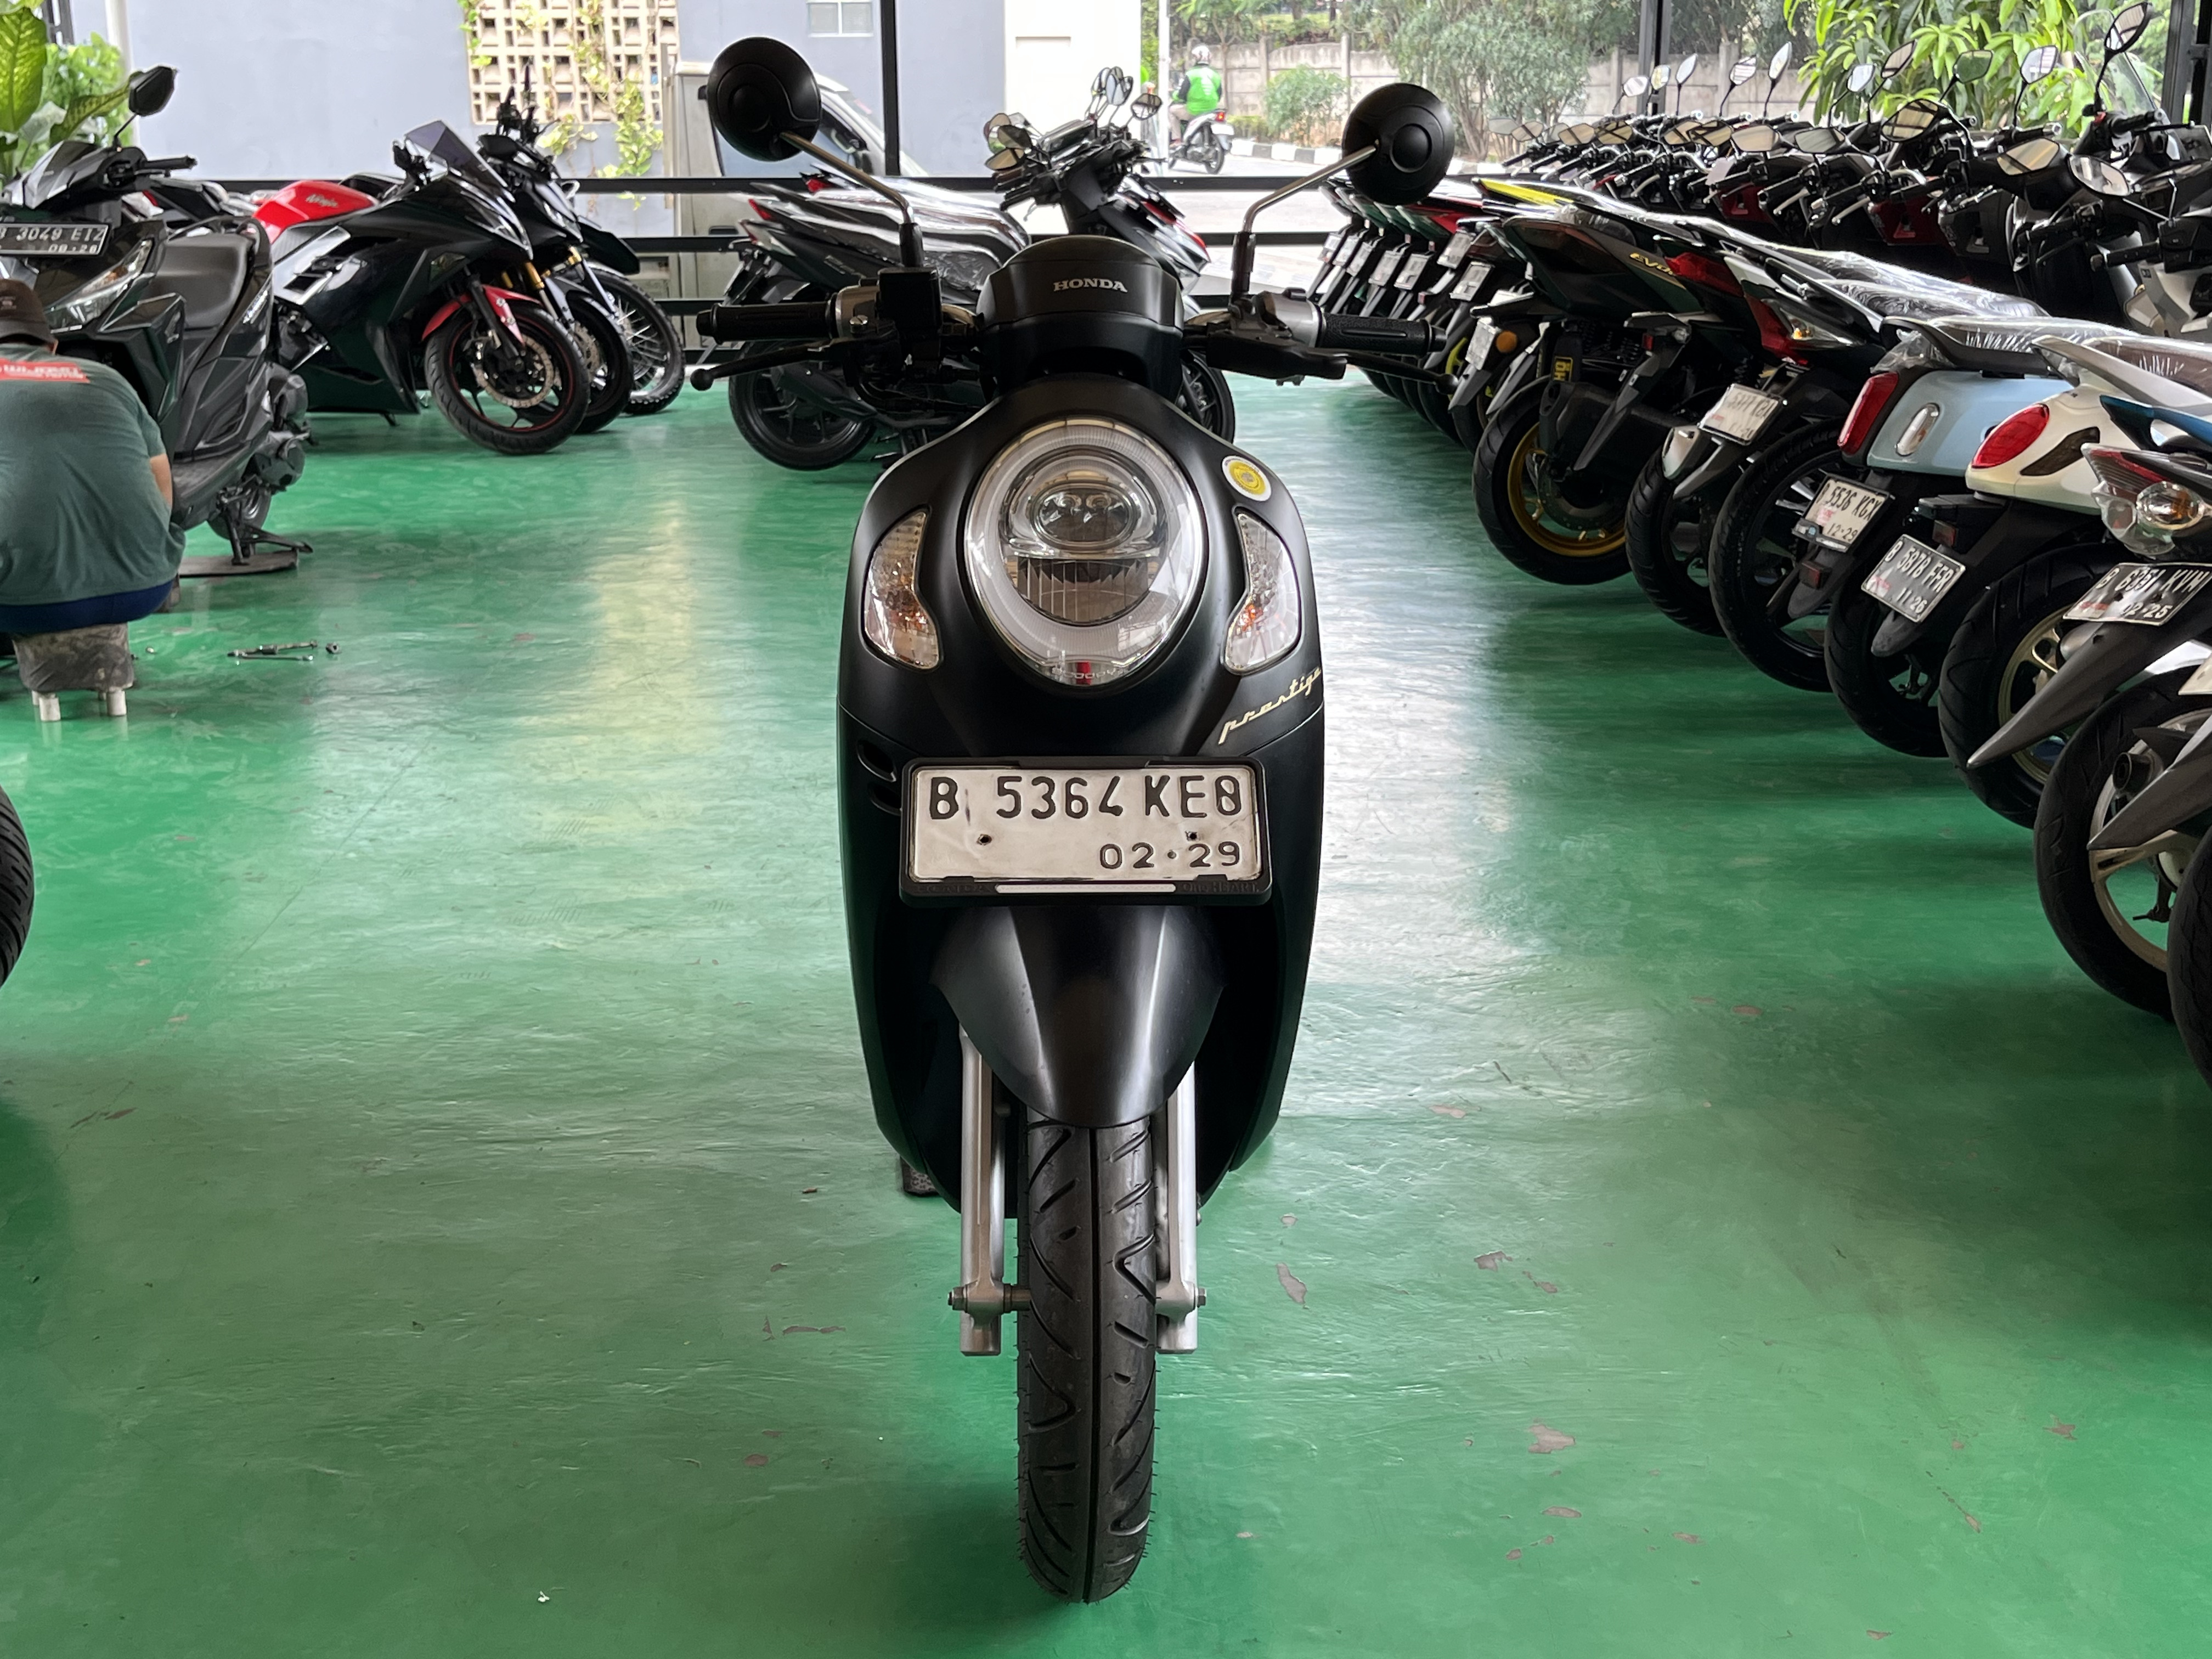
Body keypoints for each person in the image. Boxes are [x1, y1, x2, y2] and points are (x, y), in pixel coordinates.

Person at [0, 279, 182, 639]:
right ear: (53, 346)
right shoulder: (108, 379)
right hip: (145, 585)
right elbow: (161, 475)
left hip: (22, 603)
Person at [1170, 45, 1222, 147]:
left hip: (1194, 110)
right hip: (1211, 110)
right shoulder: (1215, 74)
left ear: (1195, 59)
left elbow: (1182, 94)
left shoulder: (1191, 74)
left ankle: (1177, 140)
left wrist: (1173, 94)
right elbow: (1219, 94)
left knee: (1171, 110)